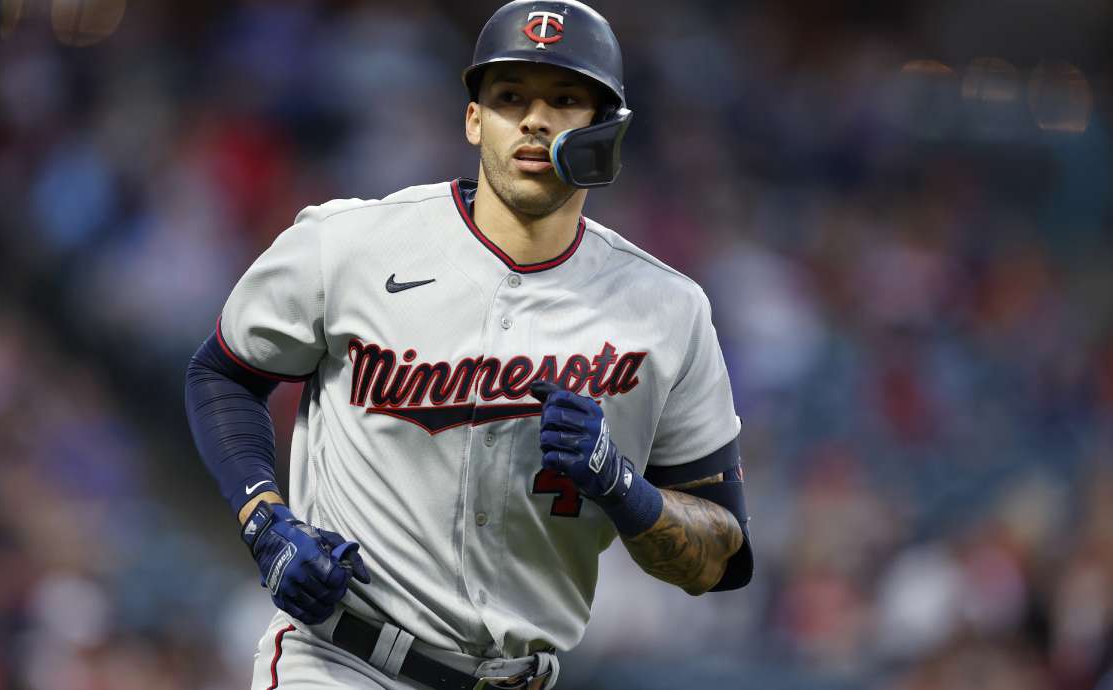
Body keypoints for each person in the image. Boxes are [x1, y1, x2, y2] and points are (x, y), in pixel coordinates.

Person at [185, 1, 753, 688]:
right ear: (474, 119)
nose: (535, 121)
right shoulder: (350, 246)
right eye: (510, 97)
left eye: (566, 99)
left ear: (607, 129)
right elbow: (223, 373)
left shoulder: (668, 310)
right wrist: (263, 518)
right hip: (338, 661)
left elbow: (719, 556)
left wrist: (622, 487)